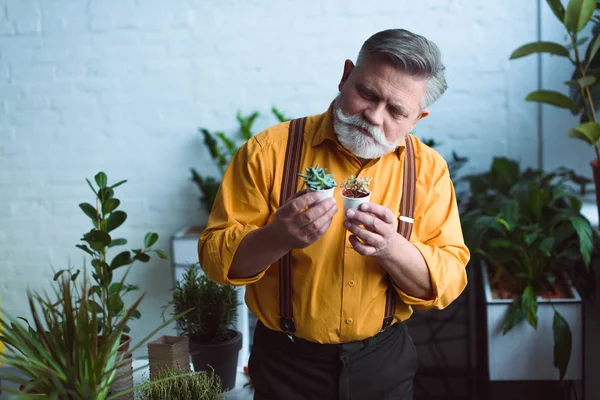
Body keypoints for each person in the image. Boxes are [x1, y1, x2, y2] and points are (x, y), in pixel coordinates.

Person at [198, 28, 470, 400]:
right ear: (345, 76)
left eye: (396, 111)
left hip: (382, 363)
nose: (374, 117)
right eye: (367, 93)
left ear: (417, 119)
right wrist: (277, 236)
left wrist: (391, 247)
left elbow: (447, 283)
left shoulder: (428, 171)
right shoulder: (268, 152)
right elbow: (215, 261)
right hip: (285, 364)